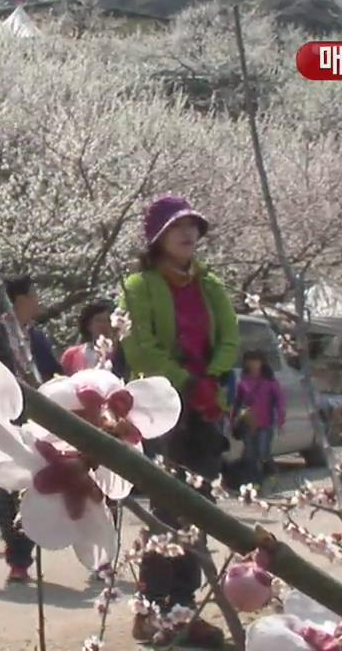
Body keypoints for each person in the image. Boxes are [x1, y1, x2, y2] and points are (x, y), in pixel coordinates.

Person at [119, 193, 239, 648]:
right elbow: (141, 349)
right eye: (176, 227)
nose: (188, 233)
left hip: (206, 407)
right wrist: (188, 382)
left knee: (200, 509)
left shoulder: (211, 286)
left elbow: (230, 337)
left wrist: (212, 378)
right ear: (157, 238)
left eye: (192, 226)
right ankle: (153, 610)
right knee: (167, 510)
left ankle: (185, 608)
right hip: (161, 407)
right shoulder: (138, 287)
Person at [0, 275, 61, 584]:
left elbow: (53, 372)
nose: (38, 300)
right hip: (0, 418)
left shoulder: (37, 337)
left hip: (34, 421)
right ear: (18, 299)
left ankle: (23, 550)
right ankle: (17, 556)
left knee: (31, 484)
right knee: (2, 486)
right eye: (33, 294)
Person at [234, 350, 285, 485]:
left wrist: (280, 420)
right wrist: (234, 418)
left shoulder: (270, 382)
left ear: (262, 363)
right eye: (250, 361)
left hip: (265, 424)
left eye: (255, 361)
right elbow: (238, 402)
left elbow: (280, 402)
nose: (253, 364)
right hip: (249, 423)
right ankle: (254, 481)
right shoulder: (243, 382)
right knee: (250, 454)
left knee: (263, 452)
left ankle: (272, 472)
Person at [61, 299, 118, 374]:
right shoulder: (71, 355)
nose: (104, 324)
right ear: (88, 325)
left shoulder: (120, 350)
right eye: (99, 320)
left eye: (108, 320)